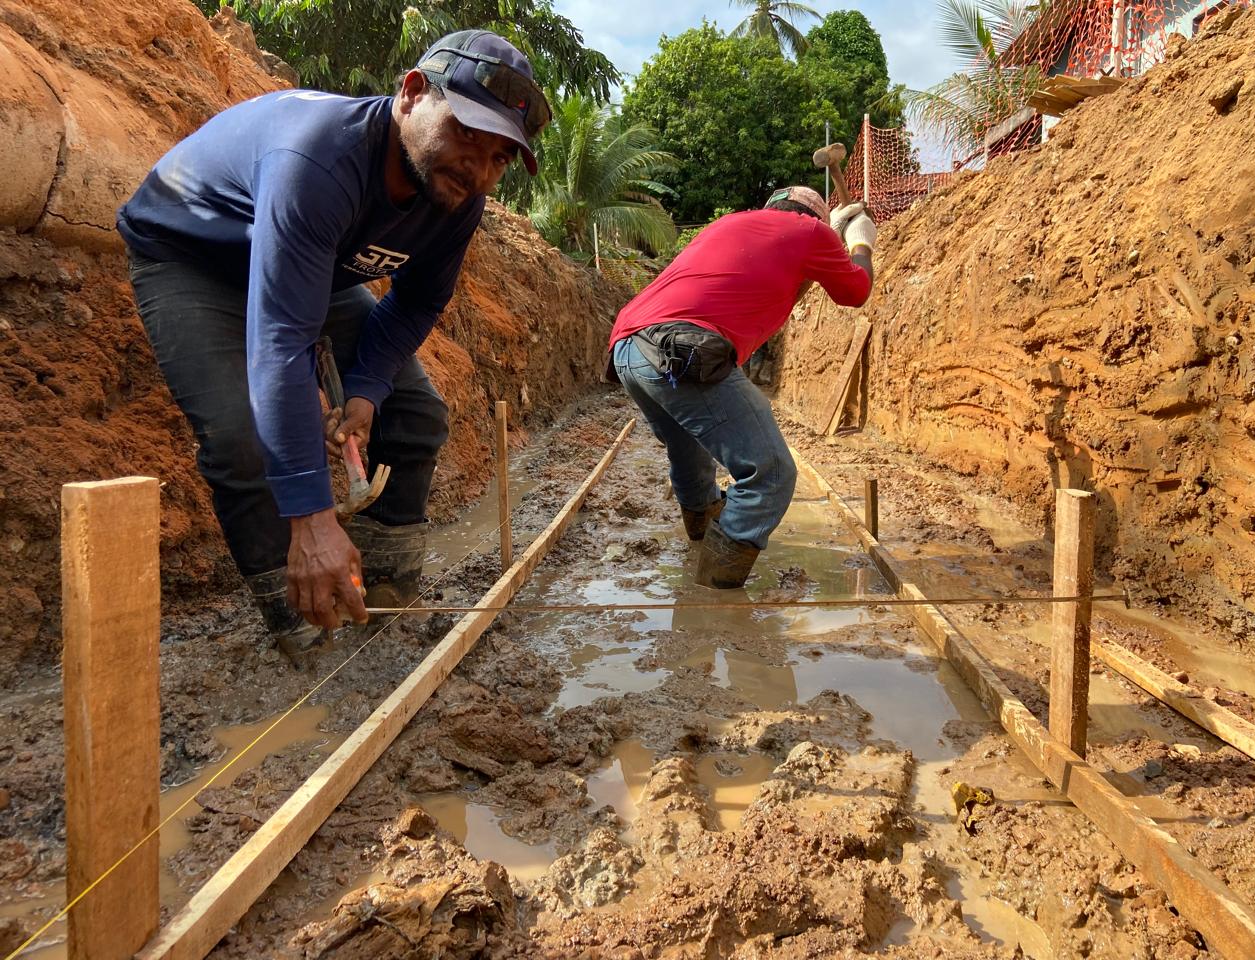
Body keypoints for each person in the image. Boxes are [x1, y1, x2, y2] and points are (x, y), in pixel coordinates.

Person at [117, 30, 550, 654]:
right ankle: (301, 614)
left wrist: (369, 389)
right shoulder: (319, 160)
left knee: (416, 412)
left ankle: (376, 594)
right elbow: (281, 343)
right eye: (465, 135)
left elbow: (420, 300)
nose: (478, 168)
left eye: (499, 158)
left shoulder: (458, 194)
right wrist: (313, 516)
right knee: (243, 438)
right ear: (412, 93)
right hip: (194, 257)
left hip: (315, 262)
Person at [607, 187, 876, 588]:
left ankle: (703, 540)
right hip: (680, 348)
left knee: (690, 453)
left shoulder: (728, 223)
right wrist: (858, 243)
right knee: (770, 472)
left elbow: (787, 283)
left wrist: (825, 236)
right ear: (814, 220)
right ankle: (714, 593)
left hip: (627, 349)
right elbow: (855, 292)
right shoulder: (811, 234)